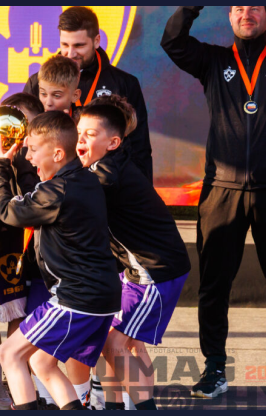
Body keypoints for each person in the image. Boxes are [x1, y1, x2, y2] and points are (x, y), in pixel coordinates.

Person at [161, 6, 266, 399]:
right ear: (230, 17)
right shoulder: (213, 62)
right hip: (222, 190)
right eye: (238, 7)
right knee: (214, 287)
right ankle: (214, 370)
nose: (246, 13)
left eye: (255, 6)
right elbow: (173, 41)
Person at [0, 111, 121, 410]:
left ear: (58, 154)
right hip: (98, 297)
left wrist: (0, 165)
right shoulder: (83, 180)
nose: (28, 157)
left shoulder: (57, 190)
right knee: (41, 362)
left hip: (76, 298)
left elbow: (9, 212)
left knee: (9, 353)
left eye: (33, 150)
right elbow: (28, 205)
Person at [76, 95, 191, 410]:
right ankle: (115, 406)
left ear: (113, 142)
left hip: (155, 272)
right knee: (121, 342)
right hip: (138, 269)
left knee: (114, 342)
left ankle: (143, 408)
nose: (80, 140)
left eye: (90, 134)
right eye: (78, 132)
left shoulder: (105, 175)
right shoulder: (108, 164)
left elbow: (67, 200)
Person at [24, 6, 153, 181]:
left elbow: (140, 147)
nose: (70, 54)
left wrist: (141, 188)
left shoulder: (125, 83)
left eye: (79, 45)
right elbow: (27, 142)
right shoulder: (38, 82)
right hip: (50, 183)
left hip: (105, 185)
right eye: (65, 45)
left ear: (96, 41)